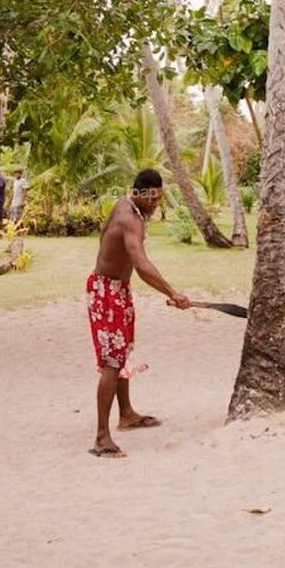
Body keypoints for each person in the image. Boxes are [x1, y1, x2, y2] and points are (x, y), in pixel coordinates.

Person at [87, 168, 191, 458]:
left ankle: (127, 414)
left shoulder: (126, 206)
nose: (158, 203)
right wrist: (172, 293)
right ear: (142, 193)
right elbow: (141, 263)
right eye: (155, 198)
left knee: (121, 355)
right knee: (111, 362)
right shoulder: (130, 219)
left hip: (115, 288)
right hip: (107, 292)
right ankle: (101, 438)